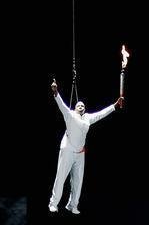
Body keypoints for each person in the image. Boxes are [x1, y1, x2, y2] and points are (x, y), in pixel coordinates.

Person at [48, 80, 123, 215]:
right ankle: (53, 203)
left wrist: (115, 105)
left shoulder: (88, 118)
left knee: (78, 181)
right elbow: (62, 105)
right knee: (61, 177)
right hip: (68, 149)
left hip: (80, 152)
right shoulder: (70, 114)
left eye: (83, 105)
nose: (81, 106)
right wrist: (55, 92)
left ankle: (73, 205)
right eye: (79, 105)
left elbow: (101, 114)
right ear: (75, 107)